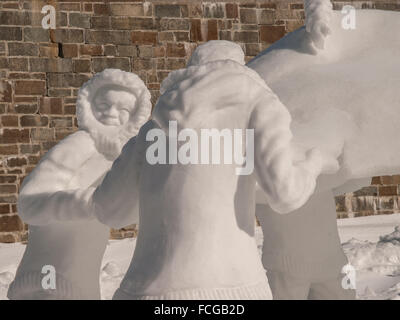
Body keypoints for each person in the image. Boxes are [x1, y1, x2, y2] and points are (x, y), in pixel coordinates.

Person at [91, 41, 339, 300]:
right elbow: (285, 193)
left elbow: (109, 209)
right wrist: (314, 162)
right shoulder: (257, 103)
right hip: (233, 290)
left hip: (146, 293)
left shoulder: (152, 129)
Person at [8, 69, 151, 300]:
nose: (112, 115)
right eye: (104, 105)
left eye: (123, 110)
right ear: (90, 106)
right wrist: (89, 203)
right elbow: (30, 202)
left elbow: (122, 211)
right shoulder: (79, 145)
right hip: (48, 275)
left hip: (79, 278)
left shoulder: (119, 158)